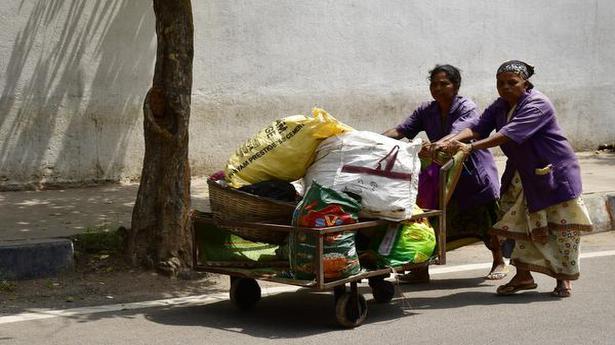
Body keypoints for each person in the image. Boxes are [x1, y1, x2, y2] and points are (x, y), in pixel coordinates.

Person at [442, 60, 593, 297]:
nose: (505, 88)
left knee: (561, 227)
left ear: (526, 83)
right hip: (520, 175)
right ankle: (523, 276)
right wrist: (449, 141)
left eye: (512, 83)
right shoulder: (500, 105)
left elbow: (507, 135)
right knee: (514, 224)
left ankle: (564, 279)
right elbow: (478, 126)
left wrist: (470, 148)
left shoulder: (537, 104)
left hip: (552, 173)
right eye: (500, 83)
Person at [383, 64, 507, 282]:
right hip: (442, 175)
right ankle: (421, 269)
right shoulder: (426, 110)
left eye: (444, 84)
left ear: (456, 86)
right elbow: (401, 130)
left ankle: (498, 261)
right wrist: (374, 140)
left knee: (487, 217)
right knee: (432, 219)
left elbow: (457, 135)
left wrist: (435, 146)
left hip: (473, 173)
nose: (438, 89)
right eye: (434, 85)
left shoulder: (466, 107)